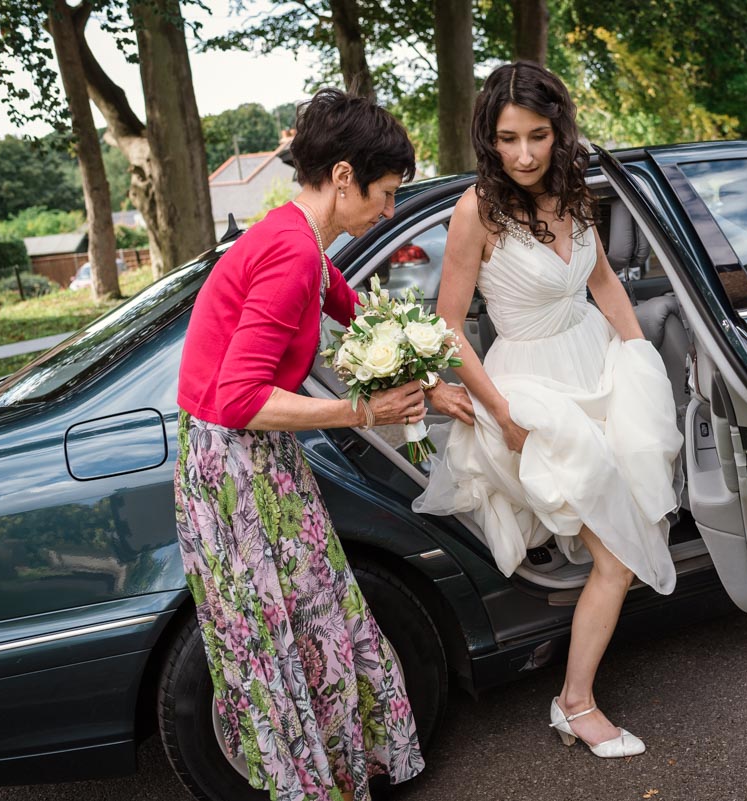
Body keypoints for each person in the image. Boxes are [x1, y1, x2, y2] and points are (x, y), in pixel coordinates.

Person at [173, 89, 469, 801]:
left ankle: (326, 779)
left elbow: (356, 310)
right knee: (286, 636)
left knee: (314, 622)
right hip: (237, 471)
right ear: (343, 176)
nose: (391, 212)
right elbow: (243, 397)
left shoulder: (298, 239)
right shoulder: (291, 256)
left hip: (252, 461)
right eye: (388, 193)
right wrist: (359, 410)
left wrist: (430, 379)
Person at [413, 62, 683, 758]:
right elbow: (446, 326)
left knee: (625, 533)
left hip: (597, 366)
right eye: (509, 139)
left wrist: (638, 356)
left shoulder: (574, 192)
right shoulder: (477, 209)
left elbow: (601, 282)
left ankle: (575, 698)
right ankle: (575, 703)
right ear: (489, 139)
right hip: (530, 391)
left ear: (559, 129)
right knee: (618, 553)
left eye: (537, 135)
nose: (526, 154)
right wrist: (500, 410)